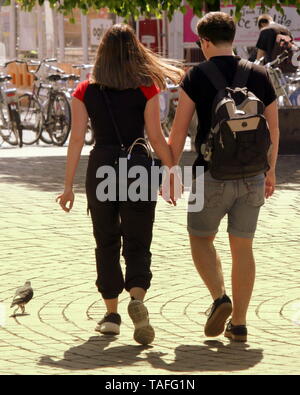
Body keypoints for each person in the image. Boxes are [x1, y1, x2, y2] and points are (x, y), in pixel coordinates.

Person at [56, 24, 184, 345]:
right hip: (138, 166)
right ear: (134, 52)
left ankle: (111, 315)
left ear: (102, 54)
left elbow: (76, 141)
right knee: (138, 240)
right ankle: (137, 299)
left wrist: (68, 186)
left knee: (106, 240)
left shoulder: (84, 91)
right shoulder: (147, 88)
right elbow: (156, 137)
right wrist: (172, 171)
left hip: (101, 167)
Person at [168, 12, 279, 342]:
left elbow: (177, 133)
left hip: (208, 174)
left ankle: (220, 298)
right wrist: (270, 172)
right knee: (243, 246)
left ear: (203, 41)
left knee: (200, 238)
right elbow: (272, 129)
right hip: (253, 175)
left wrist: (170, 170)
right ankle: (240, 324)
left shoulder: (195, 77)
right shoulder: (259, 74)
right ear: (233, 39)